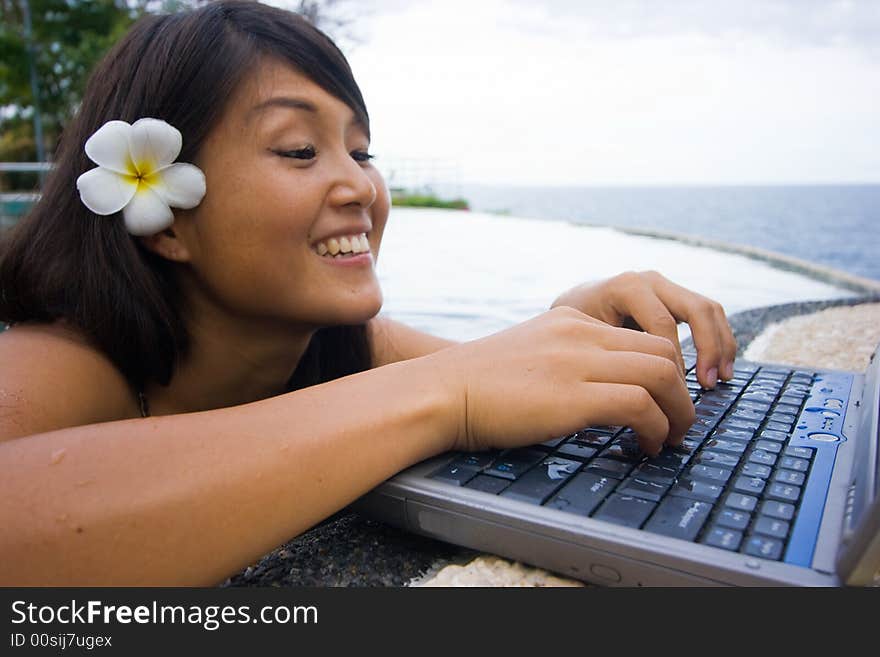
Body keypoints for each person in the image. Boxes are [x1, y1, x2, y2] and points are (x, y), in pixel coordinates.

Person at [0, 0, 736, 586]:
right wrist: (442, 393)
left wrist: (571, 320)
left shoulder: (338, 345)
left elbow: (498, 384)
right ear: (167, 222)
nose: (360, 186)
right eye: (299, 150)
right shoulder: (54, 361)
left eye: (361, 150)